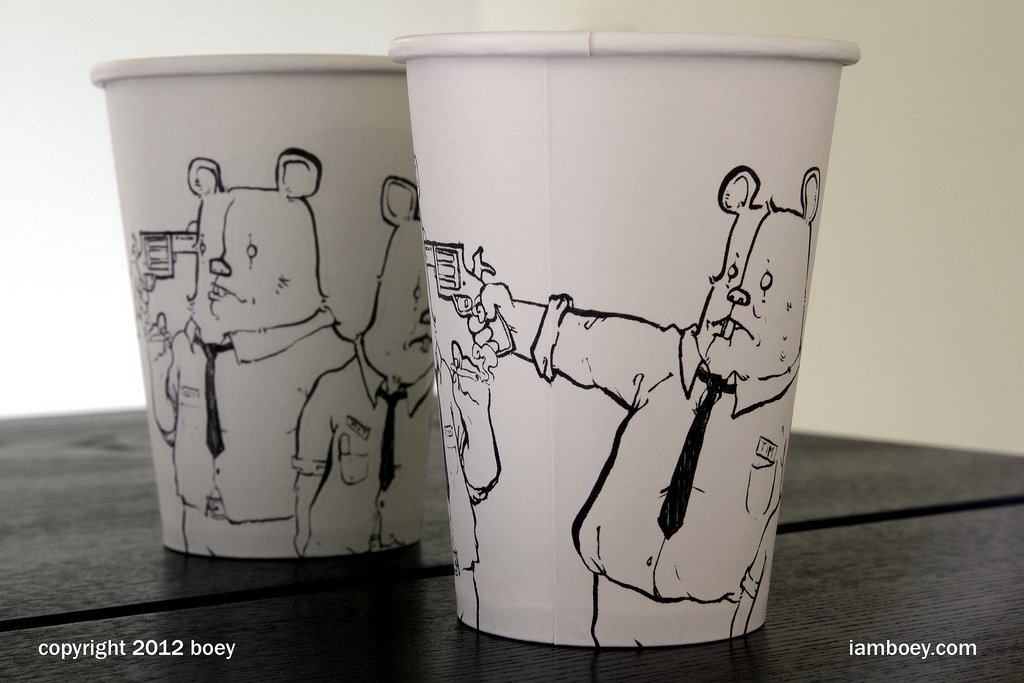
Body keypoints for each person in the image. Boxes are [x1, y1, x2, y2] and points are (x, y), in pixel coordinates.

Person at [466, 166, 817, 644]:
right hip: (612, 596)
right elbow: (590, 342)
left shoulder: (772, 420)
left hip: (710, 623)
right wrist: (509, 316)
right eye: (732, 276)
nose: (737, 296)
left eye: (767, 286)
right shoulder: (667, 363)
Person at [146, 149, 352, 557]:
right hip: (193, 527)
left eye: (251, 251)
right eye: (207, 250)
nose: (218, 265)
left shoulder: (326, 356)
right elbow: (169, 426)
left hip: (294, 541)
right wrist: (157, 364)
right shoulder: (188, 347)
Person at [292, 177, 435, 556]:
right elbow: (306, 487)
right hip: (331, 567)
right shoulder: (332, 393)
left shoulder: (432, 396)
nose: (424, 319)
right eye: (412, 296)